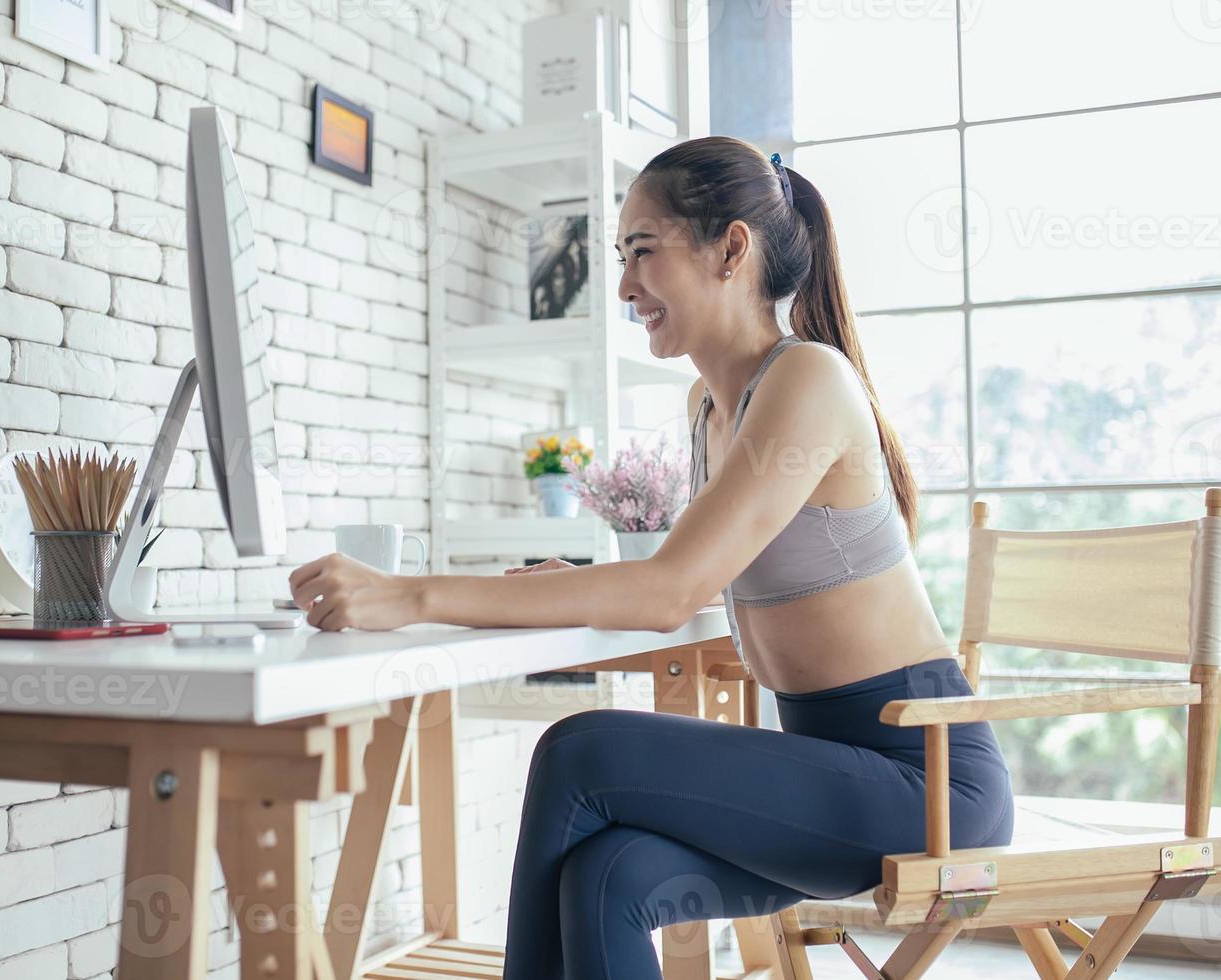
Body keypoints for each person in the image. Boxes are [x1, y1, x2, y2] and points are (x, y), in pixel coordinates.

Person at [287, 137, 1014, 979]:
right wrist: (582, 588)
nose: (626, 286)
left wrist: (410, 596)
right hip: (834, 776)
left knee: (579, 751)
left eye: (643, 253)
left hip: (923, 780)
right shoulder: (710, 405)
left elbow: (670, 590)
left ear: (731, 250)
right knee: (611, 876)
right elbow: (679, 576)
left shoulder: (808, 378)